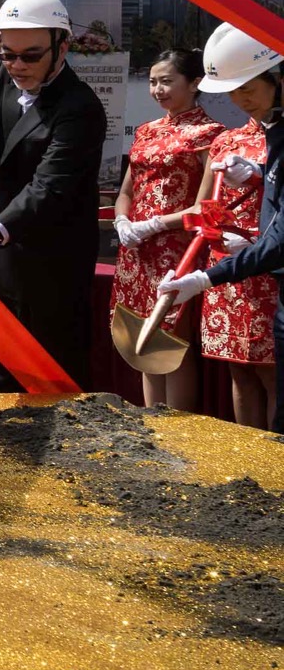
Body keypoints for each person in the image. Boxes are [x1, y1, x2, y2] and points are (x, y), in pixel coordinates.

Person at [0, 0, 108, 393]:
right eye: (8, 55)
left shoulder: (80, 107)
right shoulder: (2, 77)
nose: (17, 66)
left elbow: (49, 188)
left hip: (51, 267)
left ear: (61, 47)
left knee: (52, 381)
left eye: (31, 56)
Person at [159, 24, 284, 430]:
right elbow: (208, 207)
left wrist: (211, 273)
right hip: (233, 267)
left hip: (264, 268)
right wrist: (256, 175)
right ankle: (250, 458)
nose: (241, 100)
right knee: (240, 373)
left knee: (273, 377)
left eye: (247, 88)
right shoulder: (239, 138)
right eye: (233, 92)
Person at [109, 48, 218, 410]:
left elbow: (204, 206)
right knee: (143, 336)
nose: (157, 89)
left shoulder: (210, 134)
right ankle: (149, 421)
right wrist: (122, 221)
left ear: (195, 83)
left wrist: (155, 224)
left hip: (176, 249)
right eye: (153, 82)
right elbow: (126, 191)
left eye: (167, 81)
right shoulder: (146, 131)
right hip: (136, 249)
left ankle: (177, 427)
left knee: (171, 337)